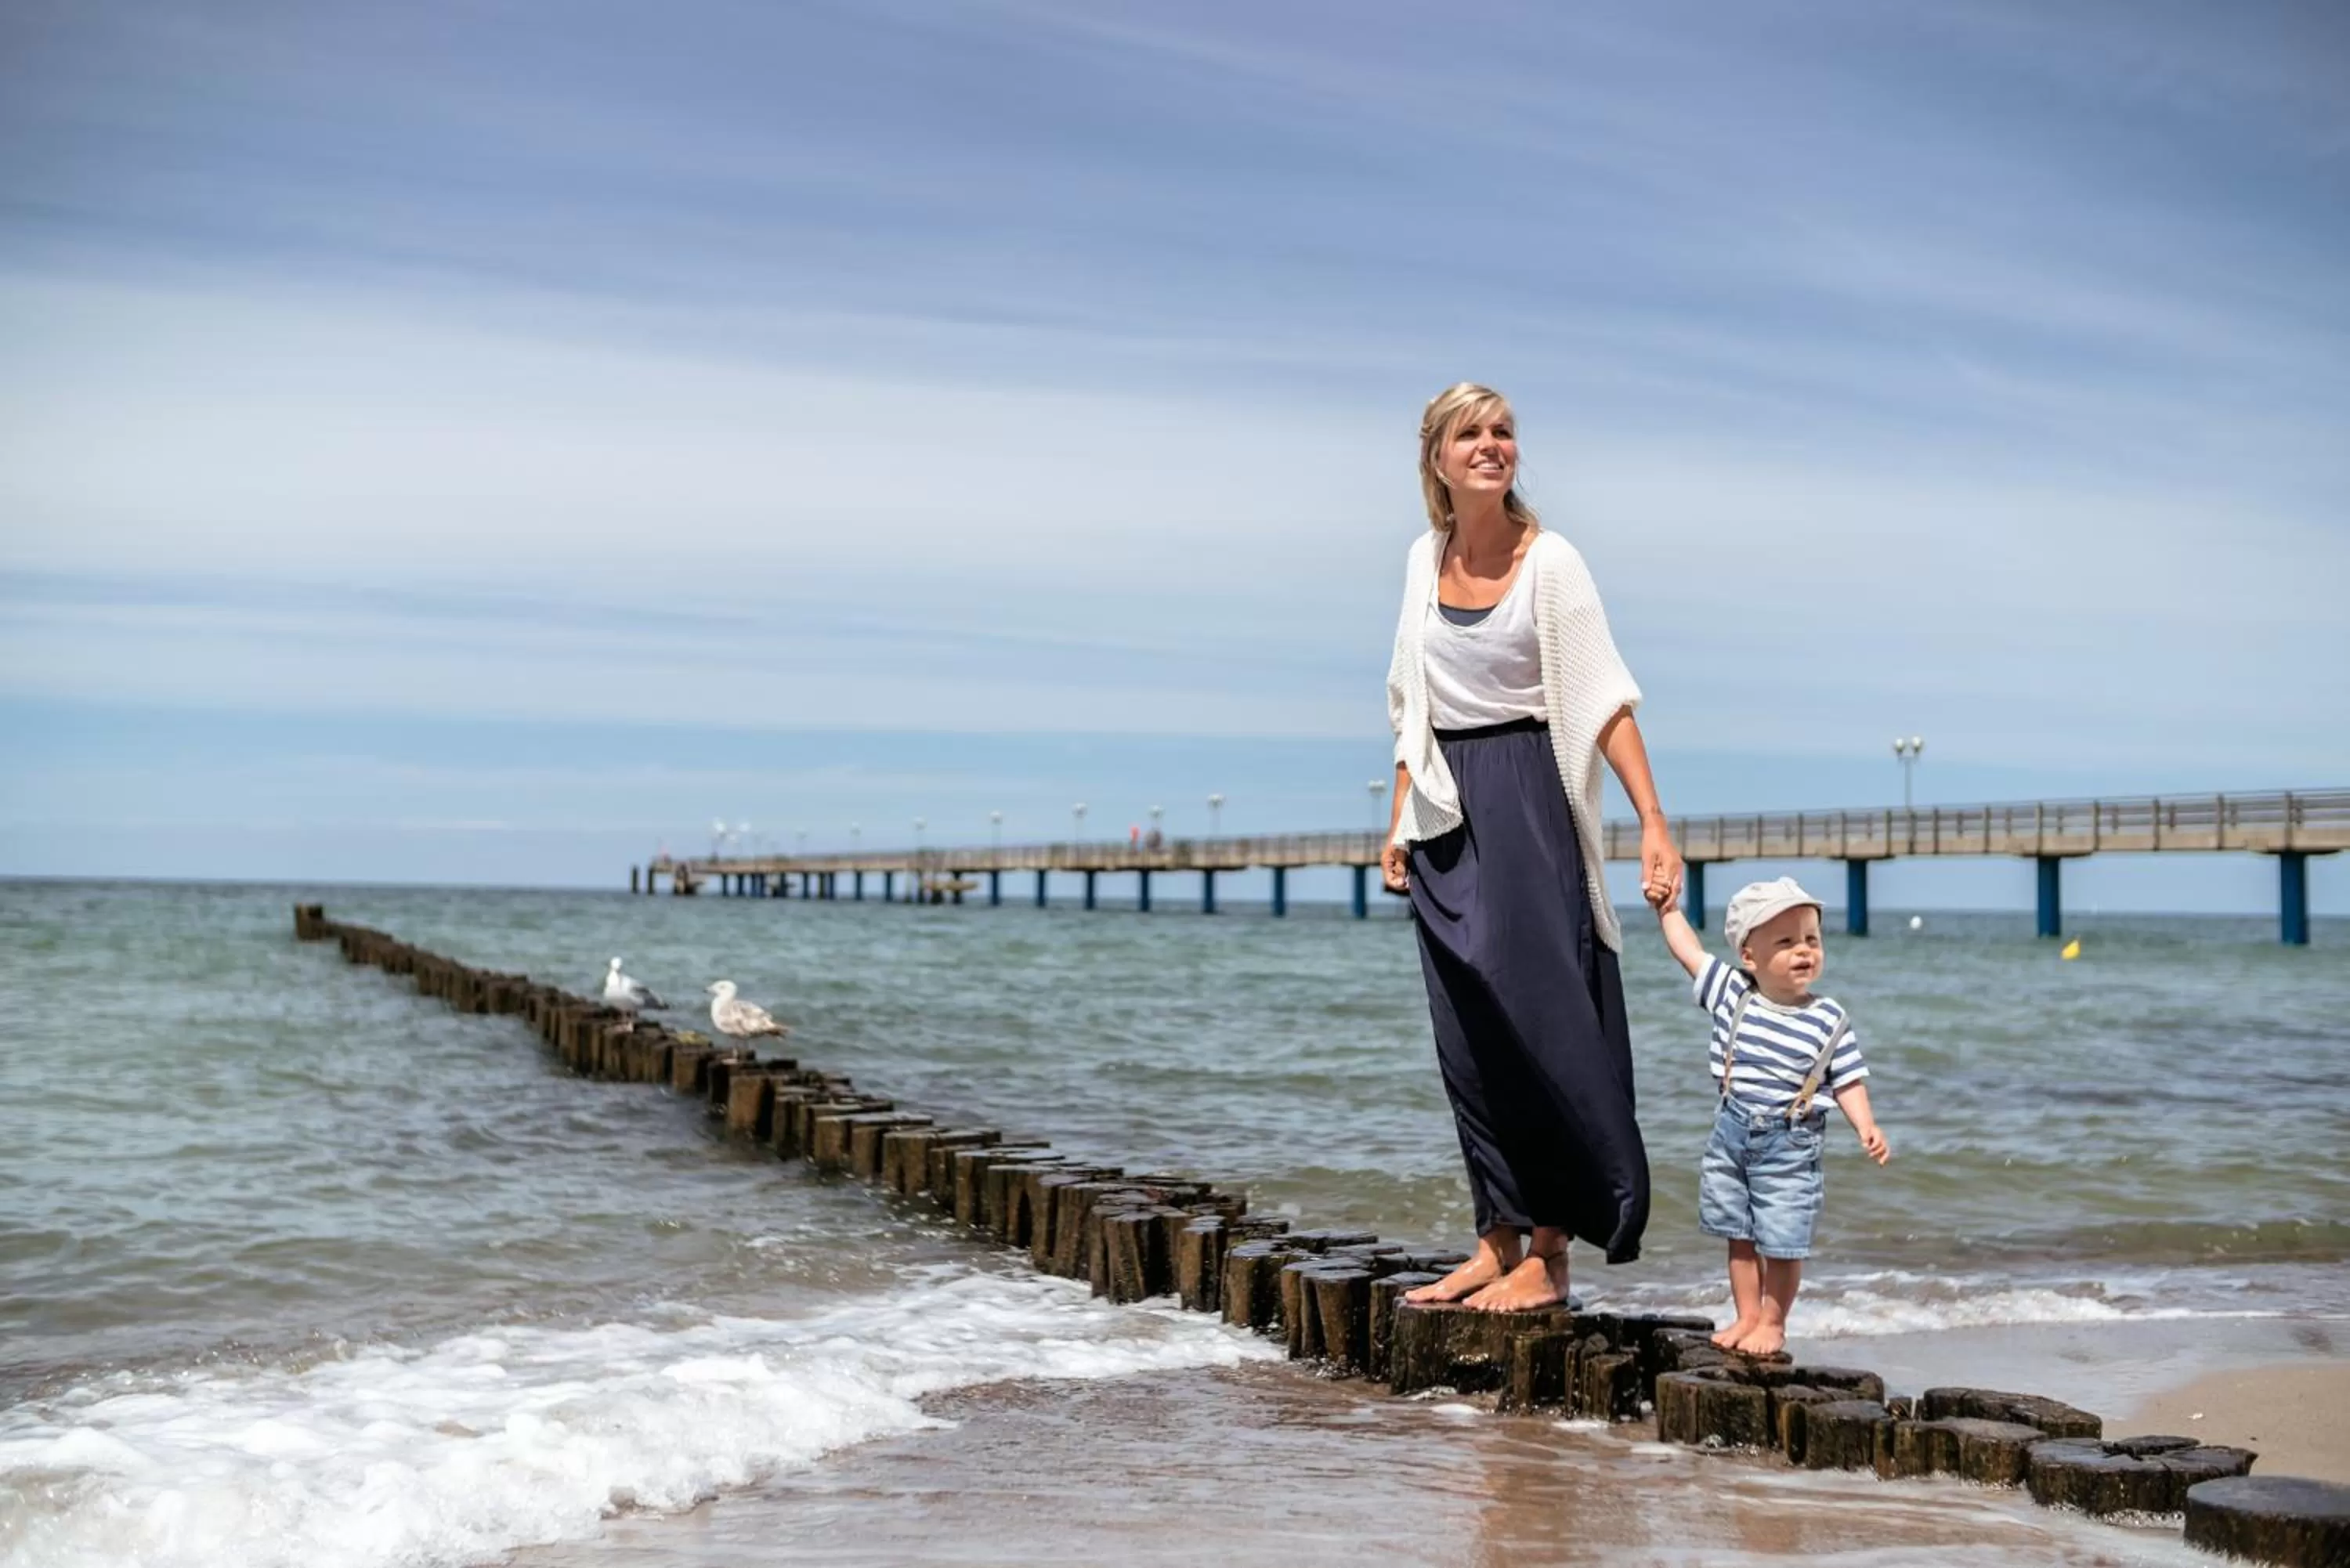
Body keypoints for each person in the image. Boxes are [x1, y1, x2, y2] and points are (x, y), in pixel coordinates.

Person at [1383, 382, 1682, 1313]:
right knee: (1467, 1037)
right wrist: (1399, 819)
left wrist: (1654, 824)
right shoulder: (1420, 560)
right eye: (1470, 433)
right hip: (1443, 814)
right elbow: (1409, 705)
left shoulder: (1552, 562)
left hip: (1528, 797)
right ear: (1438, 458)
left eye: (1503, 431)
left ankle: (1548, 1259)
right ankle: (1493, 1238)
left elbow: (1602, 699)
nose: (1491, 445)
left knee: (1544, 1021)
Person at [1654, 876, 1891, 1356]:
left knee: (1783, 1240)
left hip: (1791, 1143)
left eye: (1811, 939)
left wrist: (1865, 1124)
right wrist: (1667, 910)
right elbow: (1689, 953)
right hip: (1731, 1133)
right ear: (1749, 956)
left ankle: (1774, 1322)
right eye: (1786, 942)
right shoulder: (1731, 992)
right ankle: (1746, 1316)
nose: (1804, 951)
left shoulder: (1828, 1018)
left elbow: (1846, 1078)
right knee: (1737, 1233)